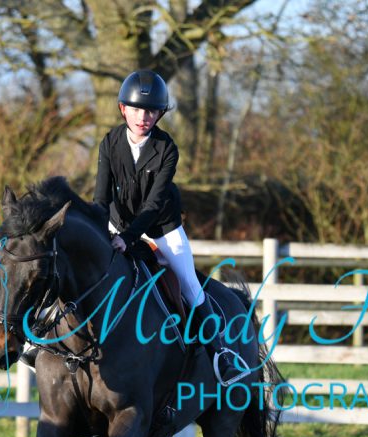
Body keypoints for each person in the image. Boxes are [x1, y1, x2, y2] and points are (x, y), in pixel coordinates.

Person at [91, 70, 250, 386]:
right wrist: (100, 232)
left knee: (190, 285)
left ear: (160, 114)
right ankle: (41, 341)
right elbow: (100, 198)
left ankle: (221, 356)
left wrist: (128, 238)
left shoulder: (166, 148)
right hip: (118, 225)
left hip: (161, 229)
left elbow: (152, 205)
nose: (143, 117)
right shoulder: (109, 142)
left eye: (151, 111)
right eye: (136, 109)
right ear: (123, 109)